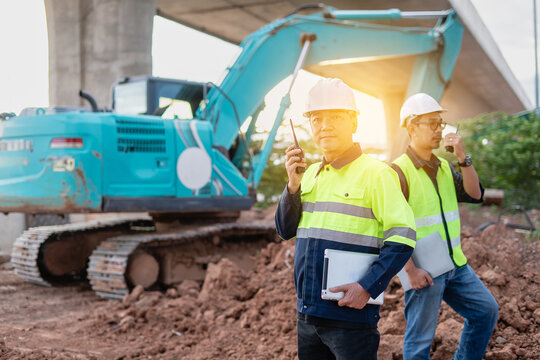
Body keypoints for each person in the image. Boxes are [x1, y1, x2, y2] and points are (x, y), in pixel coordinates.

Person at [275, 77, 416, 360]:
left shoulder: (377, 174)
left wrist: (367, 287)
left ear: (353, 123)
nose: (324, 125)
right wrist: (292, 187)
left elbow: (403, 238)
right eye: (317, 118)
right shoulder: (310, 174)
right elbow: (284, 229)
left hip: (350, 317)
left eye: (335, 117)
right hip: (308, 314)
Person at [391, 93, 499, 360]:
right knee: (419, 342)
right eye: (432, 124)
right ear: (412, 127)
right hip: (422, 268)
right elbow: (389, 227)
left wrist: (463, 158)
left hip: (455, 264)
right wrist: (410, 271)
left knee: (486, 311)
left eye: (441, 123)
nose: (439, 130)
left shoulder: (444, 168)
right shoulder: (397, 172)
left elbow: (475, 195)